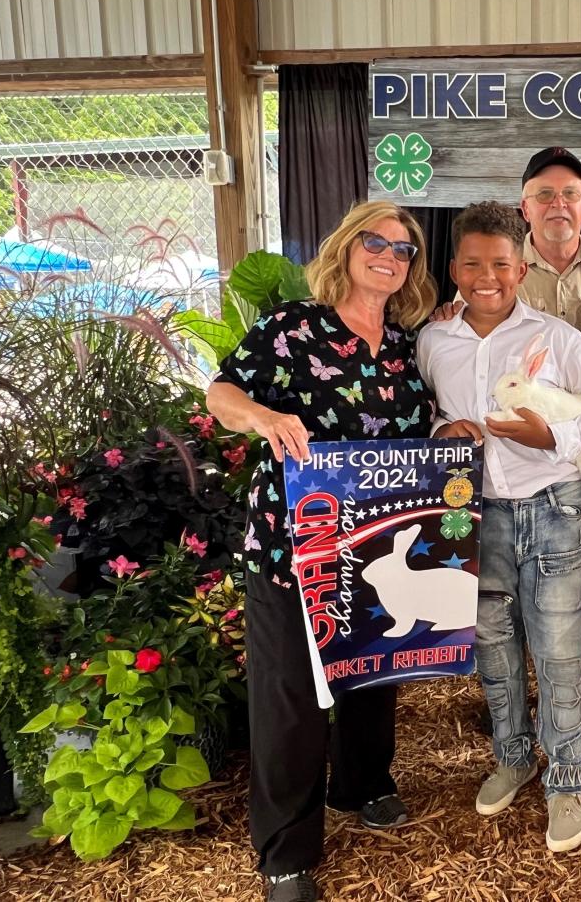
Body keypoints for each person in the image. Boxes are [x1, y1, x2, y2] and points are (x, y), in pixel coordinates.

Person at [206, 201, 437, 902]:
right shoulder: (292, 328)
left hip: (373, 538)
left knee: (371, 671)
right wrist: (265, 416)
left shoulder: (403, 345)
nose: (389, 258)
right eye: (377, 242)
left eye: (403, 251)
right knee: (290, 694)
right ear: (347, 245)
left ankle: (363, 784)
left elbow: (417, 431)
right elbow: (220, 392)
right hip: (293, 540)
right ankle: (285, 852)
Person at [416, 201, 581, 853]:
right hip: (473, 514)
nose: (487, 277)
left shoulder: (556, 338)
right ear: (453, 268)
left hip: (552, 508)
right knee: (494, 644)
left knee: (561, 653)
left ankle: (565, 781)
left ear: (522, 267)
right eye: (473, 264)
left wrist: (554, 435)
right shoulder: (432, 339)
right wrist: (438, 429)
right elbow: (421, 409)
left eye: (501, 265)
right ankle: (512, 757)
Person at [435, 146, 581, 728]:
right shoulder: (496, 269)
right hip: (506, 468)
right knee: (501, 580)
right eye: (544, 194)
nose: (557, 204)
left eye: (569, 194)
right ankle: (509, 684)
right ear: (526, 207)